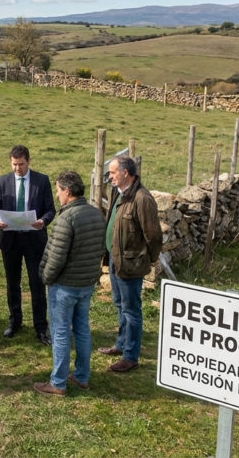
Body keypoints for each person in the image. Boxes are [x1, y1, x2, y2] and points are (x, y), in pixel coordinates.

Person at [34, 171, 106, 396]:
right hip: (86, 283)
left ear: (67, 190)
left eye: (58, 190)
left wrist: (46, 278)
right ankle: (82, 376)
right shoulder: (96, 213)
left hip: (65, 285)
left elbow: (56, 256)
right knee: (82, 329)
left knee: (61, 331)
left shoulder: (66, 218)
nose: (56, 195)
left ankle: (58, 382)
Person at [99, 155, 163, 373]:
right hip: (115, 259)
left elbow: (153, 236)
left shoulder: (142, 198)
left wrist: (146, 259)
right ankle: (121, 344)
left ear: (125, 172)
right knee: (119, 304)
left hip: (130, 264)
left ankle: (131, 356)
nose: (109, 177)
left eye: (112, 172)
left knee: (131, 310)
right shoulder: (119, 193)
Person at [0, 145, 56, 345]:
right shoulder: (3, 181)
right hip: (10, 239)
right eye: (13, 164)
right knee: (13, 284)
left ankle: (40, 327)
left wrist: (43, 222)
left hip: (34, 239)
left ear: (29, 161)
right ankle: (15, 322)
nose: (17, 168)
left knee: (37, 284)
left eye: (20, 164)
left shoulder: (42, 180)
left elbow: (50, 209)